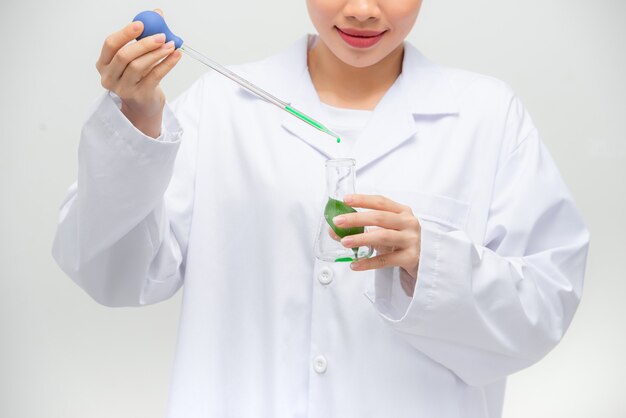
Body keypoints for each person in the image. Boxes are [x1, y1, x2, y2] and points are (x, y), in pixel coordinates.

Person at [52, 1, 589, 417]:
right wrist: (138, 118)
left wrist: (432, 260)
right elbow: (112, 273)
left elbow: (543, 305)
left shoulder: (485, 116)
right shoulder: (222, 106)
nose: (361, 10)